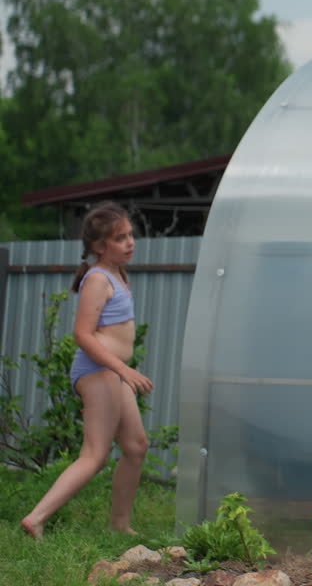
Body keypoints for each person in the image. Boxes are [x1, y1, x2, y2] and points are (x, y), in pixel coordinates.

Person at [21, 202, 154, 539]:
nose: (129, 242)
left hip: (113, 372)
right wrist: (123, 368)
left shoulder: (118, 274)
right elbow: (83, 335)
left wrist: (122, 370)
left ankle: (120, 525)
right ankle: (36, 518)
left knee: (136, 445)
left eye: (130, 235)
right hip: (99, 371)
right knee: (95, 454)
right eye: (120, 238)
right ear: (99, 247)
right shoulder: (97, 278)